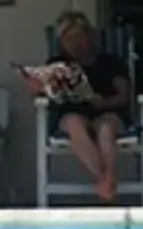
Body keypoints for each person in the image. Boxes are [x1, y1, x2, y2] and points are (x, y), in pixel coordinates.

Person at [17, 11, 133, 203]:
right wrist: (35, 86)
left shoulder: (110, 62)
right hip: (72, 113)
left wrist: (103, 101)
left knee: (105, 127)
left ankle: (107, 179)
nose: (75, 43)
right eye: (68, 39)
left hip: (106, 111)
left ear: (89, 37)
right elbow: (40, 92)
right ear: (62, 42)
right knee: (73, 123)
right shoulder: (56, 64)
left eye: (79, 36)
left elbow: (123, 95)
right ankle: (104, 180)